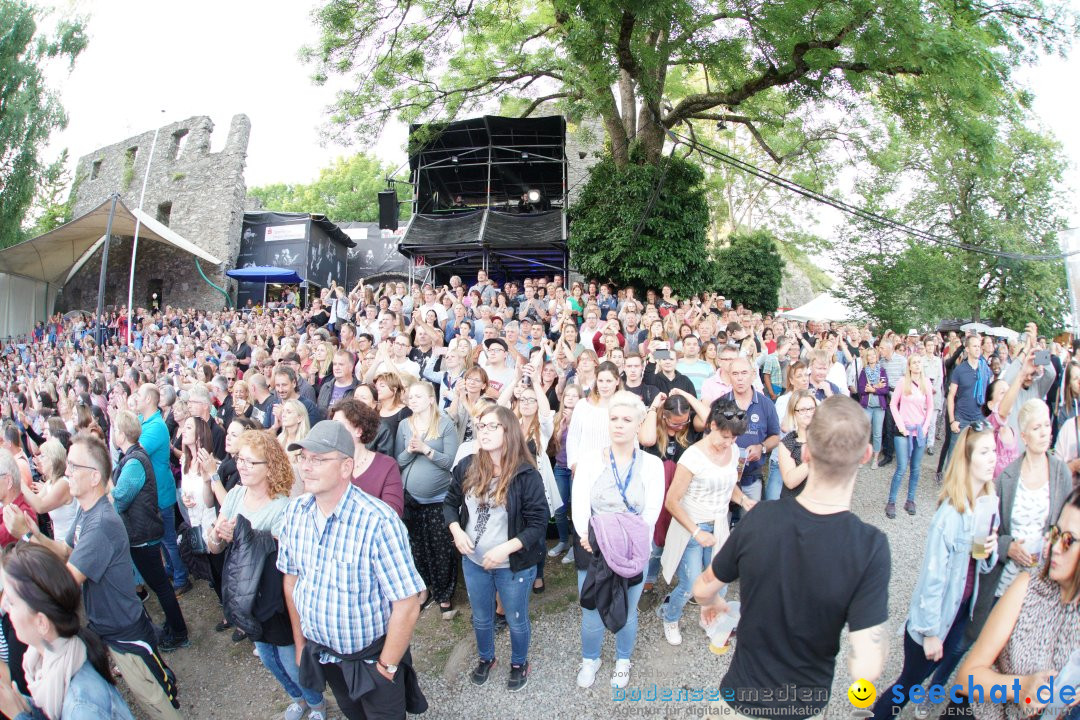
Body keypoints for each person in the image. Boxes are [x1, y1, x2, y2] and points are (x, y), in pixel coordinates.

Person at [692, 396, 890, 719]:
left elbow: (702, 587)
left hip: (739, 699)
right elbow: (867, 662)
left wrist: (711, 602)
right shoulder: (870, 546)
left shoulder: (760, 519)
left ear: (807, 453)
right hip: (803, 707)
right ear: (866, 456)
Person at [3, 433, 182, 720]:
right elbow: (63, 550)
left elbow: (65, 583)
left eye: (74, 467)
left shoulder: (101, 523)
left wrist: (23, 535)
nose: (67, 473)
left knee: (158, 705)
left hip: (124, 632)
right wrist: (34, 534)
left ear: (95, 477)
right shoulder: (87, 512)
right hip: (108, 628)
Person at [278, 421, 427, 720]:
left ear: (346, 467)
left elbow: (408, 604)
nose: (306, 467)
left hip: (373, 661)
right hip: (327, 657)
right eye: (303, 458)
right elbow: (291, 580)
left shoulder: (378, 521)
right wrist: (300, 642)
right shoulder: (295, 512)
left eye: (318, 459)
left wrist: (387, 666)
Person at [871, 425, 1000, 720]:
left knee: (915, 682)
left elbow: (981, 564)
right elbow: (933, 577)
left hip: (958, 614)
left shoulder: (987, 503)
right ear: (967, 460)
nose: (992, 458)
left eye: (993, 451)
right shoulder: (950, 515)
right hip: (934, 621)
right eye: (984, 452)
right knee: (907, 684)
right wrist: (930, 633)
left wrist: (989, 552)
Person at [207, 429, 327, 720]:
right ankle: (297, 698)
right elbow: (213, 548)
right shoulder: (235, 495)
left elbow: (283, 550)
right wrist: (217, 535)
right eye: (240, 460)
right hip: (243, 591)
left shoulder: (284, 505)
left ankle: (316, 703)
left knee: (287, 656)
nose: (243, 466)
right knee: (267, 656)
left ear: (270, 466)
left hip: (273, 594)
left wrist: (243, 534)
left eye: (251, 462)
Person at [445, 405, 549, 691]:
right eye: (481, 426)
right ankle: (486, 658)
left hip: (513, 566)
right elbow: (449, 503)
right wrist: (455, 530)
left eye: (493, 426)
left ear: (509, 431)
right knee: (481, 617)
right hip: (474, 562)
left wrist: (506, 549)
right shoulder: (467, 465)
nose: (485, 431)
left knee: (516, 619)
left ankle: (519, 662)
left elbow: (539, 524)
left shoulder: (526, 475)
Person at [953, 488, 1080, 720]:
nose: (1056, 547)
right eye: (1056, 534)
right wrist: (1019, 687)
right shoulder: (1028, 586)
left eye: (1069, 540)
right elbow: (965, 679)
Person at [571, 391, 664, 690]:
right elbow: (580, 501)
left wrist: (633, 542)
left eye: (627, 419)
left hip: (631, 547)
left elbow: (651, 510)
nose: (619, 425)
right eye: (614, 419)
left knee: (628, 609)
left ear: (638, 424)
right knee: (590, 609)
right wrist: (585, 535)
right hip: (594, 545)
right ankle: (590, 659)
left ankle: (623, 659)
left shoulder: (652, 465)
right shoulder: (589, 461)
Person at [968, 398, 1073, 642]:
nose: (1044, 433)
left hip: (1042, 580)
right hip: (1006, 579)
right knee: (990, 642)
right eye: (1037, 428)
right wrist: (1008, 547)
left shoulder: (1061, 473)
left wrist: (1055, 541)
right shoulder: (1007, 478)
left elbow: (1067, 525)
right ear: (1024, 436)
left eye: (1047, 425)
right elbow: (985, 533)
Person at [0, 543, 136, 720]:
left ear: (42, 622)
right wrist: (29, 707)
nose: (5, 608)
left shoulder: (82, 707)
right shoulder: (50, 661)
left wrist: (18, 716)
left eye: (11, 601)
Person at [657, 398, 753, 646]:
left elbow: (728, 483)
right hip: (691, 527)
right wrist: (697, 531)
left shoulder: (732, 451)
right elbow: (672, 501)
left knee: (719, 580)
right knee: (689, 584)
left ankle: (711, 619)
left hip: (719, 524)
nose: (729, 443)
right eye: (725, 436)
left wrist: (743, 500)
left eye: (734, 438)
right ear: (711, 426)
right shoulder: (692, 457)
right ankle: (670, 616)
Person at [110, 410, 190, 653]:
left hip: (142, 535)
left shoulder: (134, 462)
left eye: (115, 430)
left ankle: (179, 632)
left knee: (161, 587)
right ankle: (175, 625)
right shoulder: (133, 456)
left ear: (122, 434)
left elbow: (120, 498)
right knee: (160, 585)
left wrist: (107, 490)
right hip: (142, 531)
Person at [395, 381, 461, 619]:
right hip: (410, 498)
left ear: (431, 399)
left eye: (418, 397)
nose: (413, 401)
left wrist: (426, 449)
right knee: (417, 547)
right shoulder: (404, 425)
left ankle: (444, 594)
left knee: (441, 547)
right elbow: (398, 462)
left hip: (438, 498)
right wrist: (410, 451)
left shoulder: (444, 424)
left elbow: (451, 461)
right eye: (410, 397)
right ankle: (423, 590)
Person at [134, 384, 187, 595]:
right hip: (154, 490)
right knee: (162, 537)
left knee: (168, 538)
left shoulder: (155, 426)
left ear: (148, 399)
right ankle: (173, 570)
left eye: (139, 395)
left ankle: (182, 578)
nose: (135, 399)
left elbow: (136, 449)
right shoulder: (144, 421)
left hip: (161, 490)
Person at [721, 357, 781, 510]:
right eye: (735, 373)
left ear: (753, 375)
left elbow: (775, 436)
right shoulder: (720, 404)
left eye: (744, 373)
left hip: (752, 478)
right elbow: (708, 438)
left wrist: (762, 447)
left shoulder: (766, 404)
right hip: (723, 478)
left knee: (751, 523)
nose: (740, 378)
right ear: (729, 376)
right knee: (722, 527)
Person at [331, 398, 404, 517]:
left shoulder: (387, 466)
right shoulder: (328, 463)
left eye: (339, 425)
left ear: (359, 431)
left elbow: (393, 512)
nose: (333, 430)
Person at [886, 355, 934, 518]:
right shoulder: (902, 382)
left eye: (919, 362)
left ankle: (910, 500)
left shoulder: (926, 382)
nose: (917, 365)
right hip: (903, 430)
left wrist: (926, 427)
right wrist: (900, 425)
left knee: (916, 468)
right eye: (914, 362)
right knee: (901, 467)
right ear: (909, 365)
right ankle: (891, 501)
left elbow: (930, 406)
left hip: (919, 431)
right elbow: (893, 404)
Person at [22, 438, 78, 542]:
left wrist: (20, 482)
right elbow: (33, 505)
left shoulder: (63, 483)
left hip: (71, 544)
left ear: (53, 459)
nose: (39, 460)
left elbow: (40, 507)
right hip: (60, 540)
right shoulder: (50, 483)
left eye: (43, 456)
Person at [777, 390, 817, 498]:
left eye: (811, 409)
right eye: (803, 410)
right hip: (794, 505)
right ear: (793, 413)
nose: (809, 414)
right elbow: (790, 482)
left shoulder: (827, 438)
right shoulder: (787, 443)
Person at [858, 347, 890, 467]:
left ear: (877, 357)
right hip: (867, 406)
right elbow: (861, 389)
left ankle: (875, 458)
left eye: (873, 355)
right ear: (866, 358)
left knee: (877, 433)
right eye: (869, 355)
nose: (871, 357)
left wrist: (873, 389)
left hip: (879, 407)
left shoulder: (882, 371)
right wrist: (877, 386)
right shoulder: (863, 371)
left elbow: (885, 389)